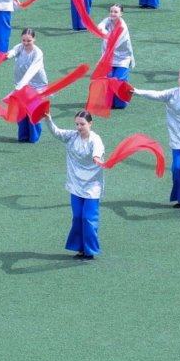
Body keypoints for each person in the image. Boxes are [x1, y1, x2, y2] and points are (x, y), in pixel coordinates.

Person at [133, 69, 180, 208]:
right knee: (176, 168)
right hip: (177, 140)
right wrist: (136, 91)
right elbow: (156, 95)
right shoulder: (172, 94)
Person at [48, 110, 106, 259]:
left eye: (82, 124)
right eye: (77, 124)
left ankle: (90, 250)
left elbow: (97, 151)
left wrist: (96, 157)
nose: (79, 127)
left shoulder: (95, 139)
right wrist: (48, 119)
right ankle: (80, 248)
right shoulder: (72, 136)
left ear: (90, 123)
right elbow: (56, 132)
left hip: (92, 185)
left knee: (88, 217)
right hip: (75, 184)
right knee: (78, 217)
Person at [7, 28, 47, 143]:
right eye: (24, 40)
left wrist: (20, 85)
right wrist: (7, 56)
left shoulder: (38, 53)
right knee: (21, 110)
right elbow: (13, 51)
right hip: (21, 84)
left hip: (36, 86)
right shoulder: (20, 47)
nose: (25, 43)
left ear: (34, 39)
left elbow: (31, 71)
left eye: (28, 41)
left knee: (32, 109)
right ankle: (23, 135)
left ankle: (34, 136)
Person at [98, 4, 134, 109]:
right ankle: (109, 102)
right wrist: (102, 30)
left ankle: (121, 103)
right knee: (108, 79)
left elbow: (113, 42)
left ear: (121, 14)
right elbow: (100, 26)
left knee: (118, 81)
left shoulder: (122, 27)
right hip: (109, 57)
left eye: (116, 12)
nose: (112, 14)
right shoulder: (108, 20)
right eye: (111, 11)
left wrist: (104, 34)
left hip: (122, 58)